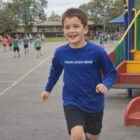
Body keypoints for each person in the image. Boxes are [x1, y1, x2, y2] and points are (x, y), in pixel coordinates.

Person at [40, 8, 118, 140]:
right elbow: (55, 72)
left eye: (76, 26)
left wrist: (105, 84)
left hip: (94, 102)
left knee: (93, 135)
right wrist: (47, 89)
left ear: (85, 29)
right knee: (77, 135)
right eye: (67, 27)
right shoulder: (60, 52)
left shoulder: (97, 51)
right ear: (63, 30)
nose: (71, 30)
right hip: (72, 100)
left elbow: (111, 72)